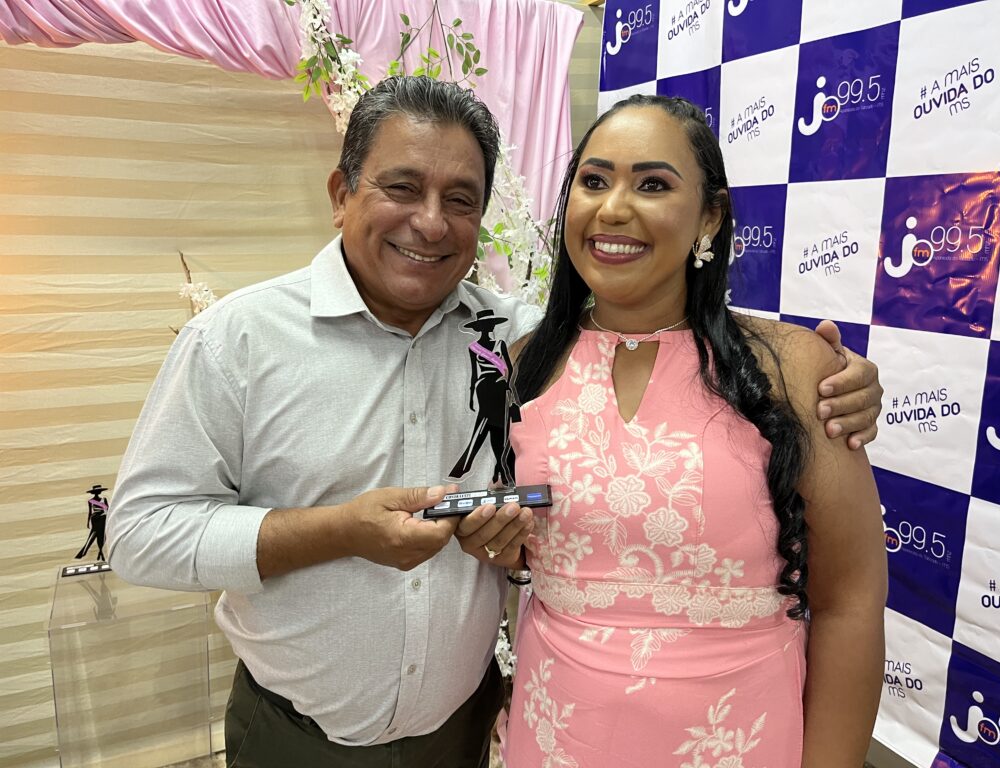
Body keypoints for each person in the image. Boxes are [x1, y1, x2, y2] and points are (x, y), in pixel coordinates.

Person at [108, 78, 883, 768]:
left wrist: (841, 382)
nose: (430, 223)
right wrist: (338, 530)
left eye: (460, 199)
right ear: (342, 192)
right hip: (299, 735)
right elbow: (139, 534)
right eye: (402, 187)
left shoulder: (512, 343)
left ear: (709, 216)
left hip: (474, 730)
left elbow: (560, 516)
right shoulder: (240, 341)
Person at [486, 95, 887, 767]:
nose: (614, 209)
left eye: (652, 185)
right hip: (556, 734)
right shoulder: (527, 363)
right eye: (594, 180)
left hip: (738, 740)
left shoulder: (794, 369)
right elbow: (529, 548)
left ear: (711, 216)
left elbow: (850, 600)